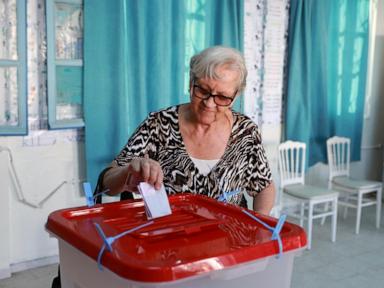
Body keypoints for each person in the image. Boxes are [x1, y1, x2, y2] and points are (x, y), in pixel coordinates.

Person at [100, 46, 275, 214]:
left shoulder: (246, 132)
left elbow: (264, 186)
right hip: (172, 236)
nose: (209, 103)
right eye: (202, 90)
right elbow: (107, 184)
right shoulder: (159, 124)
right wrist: (127, 171)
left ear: (236, 95)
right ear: (191, 82)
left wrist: (259, 225)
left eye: (222, 97)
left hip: (230, 238)